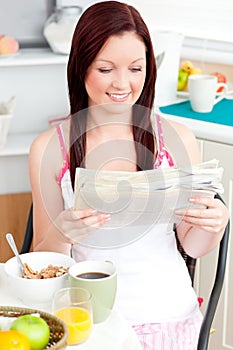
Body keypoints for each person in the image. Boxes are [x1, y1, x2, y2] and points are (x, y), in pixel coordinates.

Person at [29, 1, 229, 349]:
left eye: (136, 68)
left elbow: (193, 247)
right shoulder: (50, 149)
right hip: (87, 323)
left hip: (169, 318)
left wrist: (213, 225)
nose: (123, 84)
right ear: (81, 68)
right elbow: (41, 259)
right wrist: (63, 232)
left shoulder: (176, 140)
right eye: (106, 69)